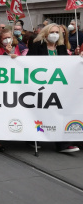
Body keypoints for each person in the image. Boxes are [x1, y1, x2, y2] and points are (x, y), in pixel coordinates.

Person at [28, 24, 80, 153]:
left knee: (61, 112)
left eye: (57, 32)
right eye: (52, 32)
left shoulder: (61, 48)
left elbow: (67, 66)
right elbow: (27, 63)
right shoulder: (37, 46)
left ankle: (63, 144)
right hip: (40, 86)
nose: (55, 34)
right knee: (39, 112)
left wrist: (78, 58)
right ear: (46, 33)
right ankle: (33, 138)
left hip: (58, 87)